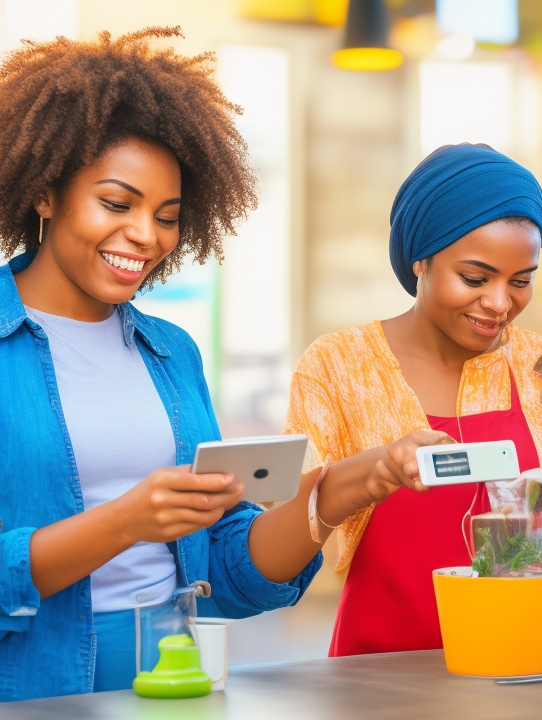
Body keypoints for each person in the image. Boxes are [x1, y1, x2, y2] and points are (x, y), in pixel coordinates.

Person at [0, 29, 328, 700]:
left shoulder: (172, 353)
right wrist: (126, 520)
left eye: (168, 216)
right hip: (31, 681)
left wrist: (336, 494)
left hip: (171, 673)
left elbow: (225, 570)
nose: (146, 235)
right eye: (117, 204)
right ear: (45, 193)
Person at [285, 143, 542, 656]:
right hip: (378, 677)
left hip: (528, 672)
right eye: (474, 278)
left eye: (521, 281)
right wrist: (374, 472)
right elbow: (290, 536)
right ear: (420, 260)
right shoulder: (339, 365)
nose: (499, 303)